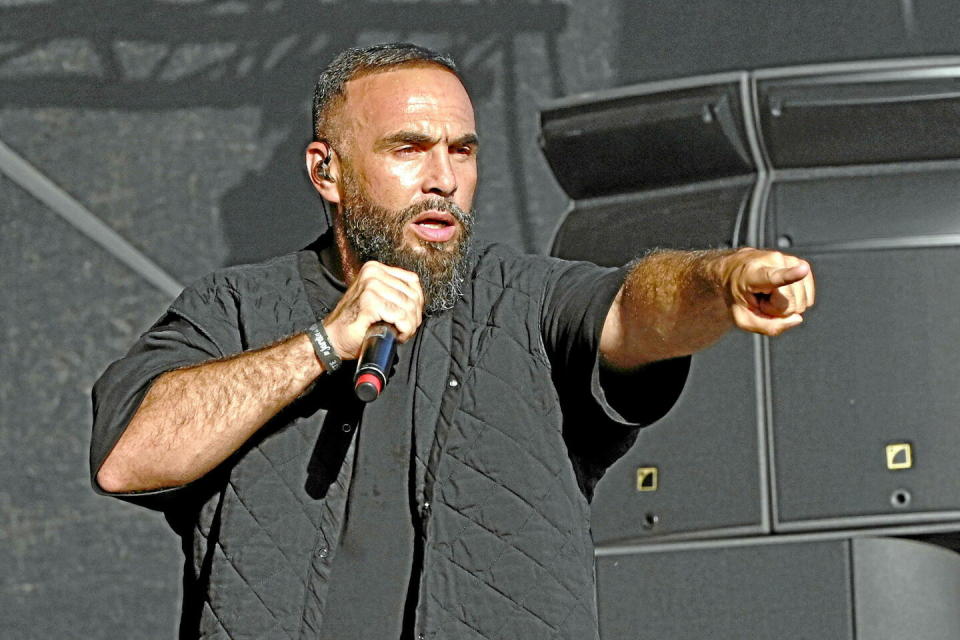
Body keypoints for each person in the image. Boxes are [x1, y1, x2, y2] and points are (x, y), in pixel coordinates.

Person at [91, 43, 815, 640]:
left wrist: (719, 281)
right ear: (327, 171)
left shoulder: (524, 299)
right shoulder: (235, 310)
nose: (443, 178)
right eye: (410, 148)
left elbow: (635, 309)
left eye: (462, 151)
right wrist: (323, 342)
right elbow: (128, 459)